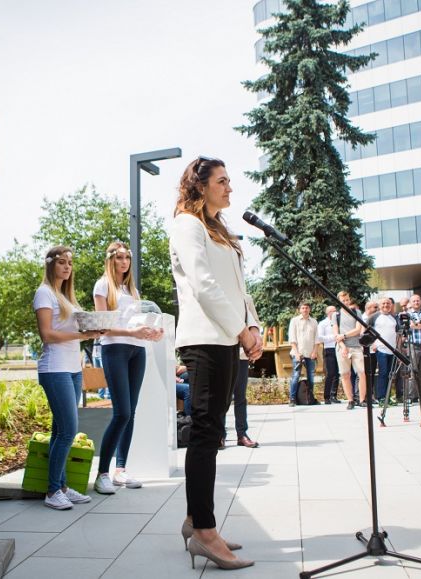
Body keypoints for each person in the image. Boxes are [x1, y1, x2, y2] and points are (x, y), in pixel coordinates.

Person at [170, 156, 260, 570]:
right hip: (205, 338)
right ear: (200, 185)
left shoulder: (221, 230)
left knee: (213, 430)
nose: (229, 187)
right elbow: (204, 285)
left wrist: (252, 326)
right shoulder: (187, 225)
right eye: (222, 181)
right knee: (206, 431)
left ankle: (196, 518)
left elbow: (239, 288)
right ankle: (205, 533)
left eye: (229, 180)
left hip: (226, 338)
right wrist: (239, 330)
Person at [92, 241, 164, 494]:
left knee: (131, 412)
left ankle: (120, 470)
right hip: (115, 349)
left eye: (127, 258)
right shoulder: (103, 286)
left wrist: (151, 332)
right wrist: (133, 331)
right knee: (121, 412)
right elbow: (102, 327)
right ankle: (102, 474)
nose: (124, 262)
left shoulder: (131, 289)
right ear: (111, 259)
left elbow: (138, 322)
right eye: (119, 257)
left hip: (137, 350)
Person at [33, 246, 100, 510]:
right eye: (61, 262)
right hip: (55, 369)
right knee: (69, 431)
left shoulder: (65, 296)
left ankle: (61, 486)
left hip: (72, 369)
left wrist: (94, 329)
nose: (67, 267)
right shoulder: (44, 293)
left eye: (70, 263)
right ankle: (52, 492)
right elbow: (47, 335)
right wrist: (81, 336)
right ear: (51, 265)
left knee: (60, 430)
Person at [333, 291, 364, 409]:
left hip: (356, 347)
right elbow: (336, 334)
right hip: (342, 348)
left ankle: (362, 399)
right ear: (339, 301)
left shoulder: (356, 312)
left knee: (361, 373)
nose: (346, 302)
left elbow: (357, 329)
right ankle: (350, 401)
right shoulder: (336, 315)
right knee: (345, 374)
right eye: (343, 300)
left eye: (347, 300)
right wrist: (343, 346)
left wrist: (344, 335)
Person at [288, 302, 321, 406]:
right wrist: (297, 353)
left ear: (309, 309)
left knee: (311, 377)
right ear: (299, 310)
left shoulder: (314, 321)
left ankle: (310, 398)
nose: (305, 310)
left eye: (307, 308)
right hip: (297, 353)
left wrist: (315, 351)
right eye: (303, 308)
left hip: (310, 353)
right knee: (296, 375)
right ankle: (292, 399)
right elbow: (292, 338)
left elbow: (317, 338)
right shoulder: (294, 321)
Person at [370, 297, 398, 402]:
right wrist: (373, 343)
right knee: (383, 373)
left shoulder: (394, 317)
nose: (386, 305)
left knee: (390, 374)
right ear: (379, 305)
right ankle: (381, 397)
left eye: (388, 303)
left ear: (391, 305)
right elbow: (366, 330)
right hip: (381, 349)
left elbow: (398, 332)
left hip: (393, 350)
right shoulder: (374, 316)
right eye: (383, 303)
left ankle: (388, 397)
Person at [318, 305, 341, 404]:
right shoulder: (323, 323)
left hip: (339, 347)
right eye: (332, 311)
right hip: (329, 349)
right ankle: (326, 396)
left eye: (335, 310)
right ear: (327, 313)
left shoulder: (339, 321)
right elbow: (320, 338)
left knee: (337, 373)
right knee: (330, 373)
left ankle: (333, 395)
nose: (335, 313)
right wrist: (334, 337)